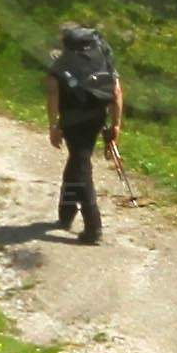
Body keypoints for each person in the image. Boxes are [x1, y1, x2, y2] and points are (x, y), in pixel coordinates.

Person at [45, 22, 124, 242]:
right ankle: (66, 213)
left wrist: (53, 126)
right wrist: (116, 124)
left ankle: (93, 228)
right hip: (97, 117)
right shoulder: (101, 55)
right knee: (77, 162)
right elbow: (116, 91)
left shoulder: (62, 60)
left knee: (81, 168)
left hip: (72, 120)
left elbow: (53, 92)